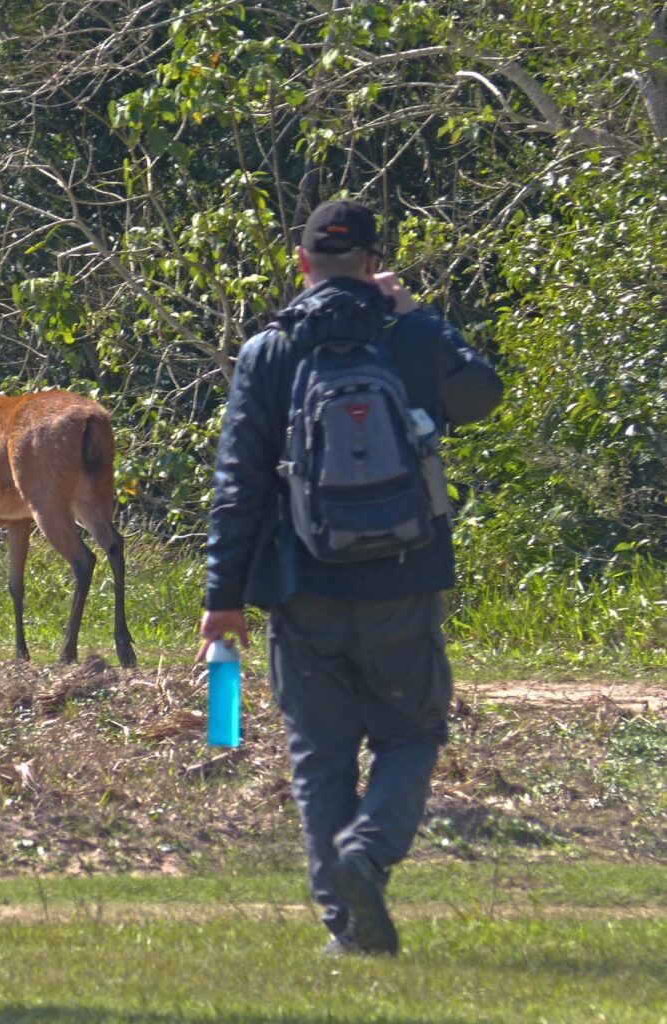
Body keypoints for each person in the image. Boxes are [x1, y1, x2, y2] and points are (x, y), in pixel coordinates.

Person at [197, 199, 503, 956]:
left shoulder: (270, 351)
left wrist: (222, 597)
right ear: (374, 264)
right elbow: (481, 394)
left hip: (301, 587)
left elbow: (238, 483)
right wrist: (421, 314)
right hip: (405, 579)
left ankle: (347, 928)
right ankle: (367, 852)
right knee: (411, 735)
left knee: (320, 755)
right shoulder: (410, 336)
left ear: (300, 264)